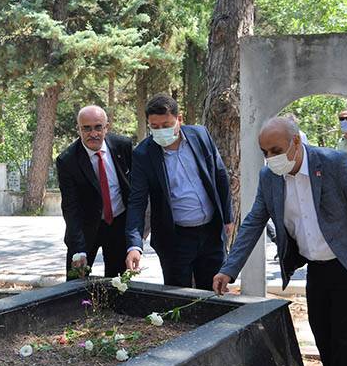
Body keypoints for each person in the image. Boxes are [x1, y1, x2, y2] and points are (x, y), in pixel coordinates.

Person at [213, 116, 347, 366]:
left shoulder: (334, 163)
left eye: (275, 149)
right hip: (316, 266)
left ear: (296, 143)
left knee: (346, 338)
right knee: (322, 330)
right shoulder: (270, 178)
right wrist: (229, 268)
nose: (270, 158)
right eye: (265, 151)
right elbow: (254, 222)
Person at [125, 93, 233, 289]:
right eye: (155, 127)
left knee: (214, 293)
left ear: (180, 119)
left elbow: (220, 175)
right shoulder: (143, 154)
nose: (161, 132)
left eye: (166, 125)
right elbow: (137, 201)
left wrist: (228, 218)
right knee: (178, 299)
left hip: (211, 234)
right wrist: (134, 244)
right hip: (175, 239)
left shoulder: (200, 135)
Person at [56, 106, 133, 278]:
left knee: (119, 283)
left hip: (118, 224)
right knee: (76, 284)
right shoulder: (67, 161)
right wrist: (78, 249)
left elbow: (133, 189)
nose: (93, 133)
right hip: (86, 228)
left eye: (98, 127)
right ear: (79, 129)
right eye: (86, 128)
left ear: (107, 127)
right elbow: (71, 207)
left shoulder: (123, 146)